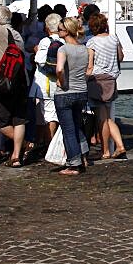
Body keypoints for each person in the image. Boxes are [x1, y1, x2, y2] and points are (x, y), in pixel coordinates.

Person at [0, 6, 29, 167]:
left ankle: (25, 144)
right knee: (18, 119)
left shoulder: (1, 32)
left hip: (4, 83)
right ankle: (16, 156)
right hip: (21, 82)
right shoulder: (18, 35)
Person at [86, 13, 127, 160]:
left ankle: (106, 151)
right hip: (111, 79)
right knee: (109, 117)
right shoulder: (114, 38)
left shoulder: (92, 42)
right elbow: (121, 57)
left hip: (97, 80)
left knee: (102, 119)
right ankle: (120, 146)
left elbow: (90, 65)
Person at [54, 16, 90, 176]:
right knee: (76, 125)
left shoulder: (63, 49)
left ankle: (74, 163)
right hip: (81, 91)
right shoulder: (84, 48)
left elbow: (60, 69)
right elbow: (88, 70)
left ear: (67, 31)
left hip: (65, 93)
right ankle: (84, 154)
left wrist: (61, 82)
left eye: (60, 29)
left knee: (68, 129)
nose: (57, 32)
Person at [32, 13, 63, 146]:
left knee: (47, 115)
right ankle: (47, 142)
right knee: (54, 114)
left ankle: (48, 144)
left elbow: (39, 60)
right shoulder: (64, 41)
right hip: (59, 82)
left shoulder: (45, 41)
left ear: (47, 27)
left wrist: (36, 50)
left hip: (45, 83)